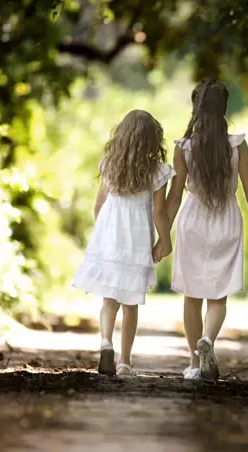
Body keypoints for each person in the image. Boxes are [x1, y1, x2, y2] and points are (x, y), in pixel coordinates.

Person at [165, 78, 248, 381]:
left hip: (193, 221)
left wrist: (162, 236)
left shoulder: (184, 148)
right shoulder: (238, 145)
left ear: (195, 108)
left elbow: (173, 196)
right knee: (218, 295)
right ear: (224, 109)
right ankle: (208, 339)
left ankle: (195, 364)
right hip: (227, 221)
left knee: (191, 296)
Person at [72, 109, 175, 377]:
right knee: (130, 305)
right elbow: (159, 213)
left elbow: (99, 205)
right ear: (153, 140)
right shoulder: (158, 172)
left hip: (110, 236)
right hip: (137, 240)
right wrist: (165, 241)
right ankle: (125, 362)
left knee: (109, 300)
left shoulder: (109, 165)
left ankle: (106, 342)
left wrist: (103, 236)